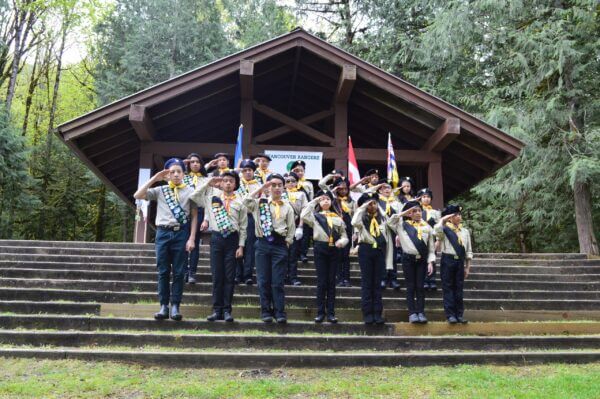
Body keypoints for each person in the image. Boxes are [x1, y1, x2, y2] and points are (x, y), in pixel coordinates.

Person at [133, 158, 198, 321]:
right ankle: (164, 306)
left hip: (181, 233)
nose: (176, 174)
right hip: (162, 234)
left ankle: (175, 306)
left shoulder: (191, 191)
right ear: (167, 174)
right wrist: (155, 178)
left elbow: (195, 216)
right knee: (162, 271)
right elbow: (138, 195)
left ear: (184, 174)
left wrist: (191, 238)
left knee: (178, 272)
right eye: (172, 172)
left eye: (179, 171)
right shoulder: (160, 190)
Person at [191, 171, 247, 322]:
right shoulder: (212, 199)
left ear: (235, 184)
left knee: (229, 277)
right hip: (216, 239)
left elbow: (243, 226)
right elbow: (194, 196)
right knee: (217, 276)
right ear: (221, 184)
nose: (228, 183)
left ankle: (227, 311)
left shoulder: (241, 202)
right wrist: (208, 182)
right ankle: (217, 310)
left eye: (231, 181)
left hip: (232, 240)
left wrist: (241, 246)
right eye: (225, 180)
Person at [244, 174, 296, 324]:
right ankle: (266, 310)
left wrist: (287, 242)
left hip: (280, 245)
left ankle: (279, 312)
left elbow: (291, 228)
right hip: (262, 244)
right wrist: (261, 188)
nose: (277, 188)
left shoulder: (287, 206)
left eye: (280, 185)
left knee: (278, 281)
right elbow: (245, 201)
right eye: (273, 185)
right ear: (269, 187)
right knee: (263, 280)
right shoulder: (260, 203)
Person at [301, 191, 349, 323]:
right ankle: (320, 312)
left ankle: (331, 313)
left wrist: (342, 242)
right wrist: (315, 201)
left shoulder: (337, 217)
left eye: (328, 199)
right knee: (322, 282)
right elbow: (304, 215)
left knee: (331, 282)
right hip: (320, 249)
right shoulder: (315, 217)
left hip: (334, 249)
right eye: (323, 199)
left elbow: (345, 236)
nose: (325, 201)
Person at [389, 201, 435, 324]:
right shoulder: (402, 225)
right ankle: (412, 313)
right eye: (414, 211)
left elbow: (431, 248)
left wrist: (430, 262)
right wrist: (404, 213)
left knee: (420, 287)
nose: (418, 213)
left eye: (419, 210)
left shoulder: (427, 227)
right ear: (409, 213)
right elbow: (390, 222)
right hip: (408, 259)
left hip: (422, 260)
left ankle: (421, 312)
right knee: (410, 287)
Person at [351, 192, 390, 325]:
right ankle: (367, 313)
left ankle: (377, 313)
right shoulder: (362, 218)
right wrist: (362, 207)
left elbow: (391, 222)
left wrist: (380, 208)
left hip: (378, 250)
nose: (372, 206)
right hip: (365, 249)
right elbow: (354, 222)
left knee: (377, 283)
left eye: (374, 203)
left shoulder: (382, 218)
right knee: (367, 282)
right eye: (370, 204)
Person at [434, 204, 473, 324]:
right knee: (448, 288)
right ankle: (450, 315)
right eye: (455, 215)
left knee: (459, 288)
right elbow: (437, 231)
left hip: (459, 262)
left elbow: (468, 250)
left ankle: (459, 314)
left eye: (459, 215)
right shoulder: (444, 229)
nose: (458, 217)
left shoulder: (465, 231)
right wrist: (442, 220)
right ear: (450, 217)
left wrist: (468, 267)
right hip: (447, 260)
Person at [182, 153, 208, 284]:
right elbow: (168, 177)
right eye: (192, 162)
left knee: (195, 243)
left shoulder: (205, 179)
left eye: (198, 162)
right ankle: (184, 271)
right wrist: (181, 163)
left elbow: (208, 200)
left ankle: (192, 272)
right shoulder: (183, 177)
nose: (195, 164)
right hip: (183, 212)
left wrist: (206, 219)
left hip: (200, 211)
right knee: (183, 242)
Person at [235, 159, 262, 285]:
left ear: (253, 171)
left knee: (250, 247)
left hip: (251, 218)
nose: (247, 172)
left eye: (249, 170)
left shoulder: (258, 185)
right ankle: (237, 274)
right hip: (237, 218)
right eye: (244, 170)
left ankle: (248, 275)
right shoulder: (236, 184)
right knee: (237, 245)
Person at [373, 179, 402, 290]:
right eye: (383, 188)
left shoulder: (397, 203)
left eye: (388, 187)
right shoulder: (376, 201)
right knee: (382, 255)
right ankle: (383, 278)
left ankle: (393, 279)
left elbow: (400, 219)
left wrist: (400, 234)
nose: (386, 189)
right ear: (379, 190)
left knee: (393, 256)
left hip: (394, 231)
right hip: (381, 231)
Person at [283, 172, 307, 286]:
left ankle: (293, 277)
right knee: (282, 253)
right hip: (281, 227)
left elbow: (304, 211)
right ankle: (282, 277)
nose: (290, 183)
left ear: (297, 182)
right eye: (287, 181)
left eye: (293, 181)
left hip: (295, 225)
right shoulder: (281, 193)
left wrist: (300, 227)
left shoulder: (301, 194)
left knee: (293, 254)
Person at [331, 177, 355, 287]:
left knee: (346, 255)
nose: (343, 191)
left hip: (348, 228)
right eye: (340, 189)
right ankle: (338, 278)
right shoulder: (332, 201)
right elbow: (326, 193)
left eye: (345, 189)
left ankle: (346, 279)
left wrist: (355, 233)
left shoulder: (351, 202)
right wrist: (333, 190)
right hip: (336, 229)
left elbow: (355, 217)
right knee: (337, 254)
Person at [290, 160, 314, 263]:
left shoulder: (308, 184)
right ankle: (294, 253)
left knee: (305, 234)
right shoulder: (289, 182)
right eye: (297, 170)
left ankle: (303, 254)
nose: (299, 173)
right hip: (292, 213)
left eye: (301, 170)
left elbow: (311, 198)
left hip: (305, 210)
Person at [418, 187, 441, 291]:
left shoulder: (435, 212)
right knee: (422, 259)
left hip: (432, 239)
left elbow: (439, 227)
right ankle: (423, 280)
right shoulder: (417, 211)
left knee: (432, 258)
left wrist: (438, 240)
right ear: (420, 199)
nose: (426, 199)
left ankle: (431, 280)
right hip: (420, 238)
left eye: (428, 197)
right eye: (423, 197)